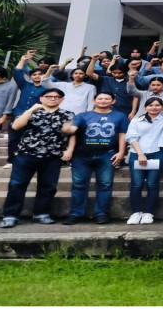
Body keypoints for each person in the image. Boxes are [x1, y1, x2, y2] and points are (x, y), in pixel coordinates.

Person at [0, 89, 75, 228]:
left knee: (48, 186)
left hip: (53, 156)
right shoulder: (32, 112)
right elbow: (16, 126)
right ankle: (10, 215)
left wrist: (69, 150)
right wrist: (31, 109)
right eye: (49, 96)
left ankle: (41, 214)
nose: (52, 99)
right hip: (26, 154)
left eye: (56, 97)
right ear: (41, 98)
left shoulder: (68, 114)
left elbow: (72, 134)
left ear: (62, 100)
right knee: (17, 184)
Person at [62, 92, 129, 225]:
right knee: (78, 185)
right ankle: (75, 213)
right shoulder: (82, 115)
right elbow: (73, 131)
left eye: (107, 99)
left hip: (107, 154)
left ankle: (101, 213)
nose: (103, 101)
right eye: (100, 98)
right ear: (94, 101)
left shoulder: (120, 116)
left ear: (113, 101)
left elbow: (122, 134)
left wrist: (121, 152)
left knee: (105, 185)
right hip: (81, 155)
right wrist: (67, 130)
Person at [125, 97, 163, 225]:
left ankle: (148, 212)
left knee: (152, 184)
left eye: (157, 105)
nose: (154, 107)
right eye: (151, 105)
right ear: (145, 107)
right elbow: (131, 137)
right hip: (137, 153)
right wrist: (140, 154)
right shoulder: (137, 120)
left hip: (157, 153)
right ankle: (136, 212)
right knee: (137, 184)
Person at [6, 51, 47, 169]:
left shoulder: (48, 88)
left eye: (40, 74)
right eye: (34, 74)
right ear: (30, 76)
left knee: (33, 140)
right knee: (14, 140)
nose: (37, 76)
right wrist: (23, 60)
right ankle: (12, 161)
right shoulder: (25, 85)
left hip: (37, 117)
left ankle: (30, 161)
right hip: (18, 114)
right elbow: (17, 73)